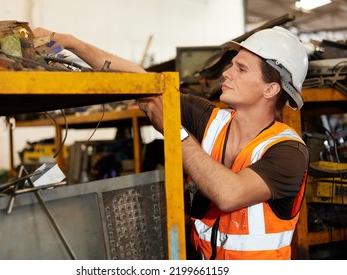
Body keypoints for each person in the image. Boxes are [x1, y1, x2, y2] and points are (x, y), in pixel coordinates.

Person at [33, 26, 309, 260]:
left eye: (241, 69)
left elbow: (229, 195)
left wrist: (174, 130)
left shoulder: (288, 152)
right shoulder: (212, 120)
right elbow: (144, 82)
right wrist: (68, 43)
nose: (227, 73)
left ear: (270, 89)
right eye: (232, 65)